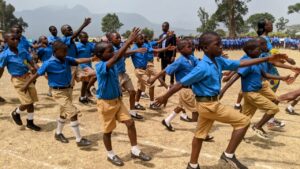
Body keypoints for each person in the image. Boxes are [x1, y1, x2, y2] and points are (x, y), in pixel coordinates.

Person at [154, 32, 287, 169]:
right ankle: (228, 156)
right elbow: (180, 83)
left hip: (208, 104)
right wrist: (165, 96)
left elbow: (241, 63)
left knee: (200, 135)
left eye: (221, 43)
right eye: (217, 45)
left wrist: (267, 59)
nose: (221, 47)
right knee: (244, 121)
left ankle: (192, 165)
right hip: (208, 106)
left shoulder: (218, 61)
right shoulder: (202, 67)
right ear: (205, 48)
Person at [92, 28, 151, 166]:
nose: (112, 52)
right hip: (106, 103)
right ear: (100, 54)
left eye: (112, 50)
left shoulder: (111, 63)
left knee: (130, 123)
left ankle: (135, 150)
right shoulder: (101, 66)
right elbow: (117, 56)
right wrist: (129, 41)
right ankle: (110, 155)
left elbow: (118, 55)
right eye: (109, 51)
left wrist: (128, 46)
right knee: (108, 131)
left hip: (118, 100)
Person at [21, 41, 93, 147]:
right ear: (55, 51)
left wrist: (92, 59)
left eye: (66, 51)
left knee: (63, 113)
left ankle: (58, 133)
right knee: (73, 112)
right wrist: (26, 85)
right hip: (58, 92)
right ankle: (79, 139)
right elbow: (37, 74)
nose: (65, 53)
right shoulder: (48, 63)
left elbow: (77, 60)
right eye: (63, 51)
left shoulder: (66, 59)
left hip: (68, 90)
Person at [220, 39, 293, 139]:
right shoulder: (248, 63)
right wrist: (223, 90)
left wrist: (283, 78)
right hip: (251, 93)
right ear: (250, 51)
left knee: (245, 117)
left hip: (255, 91)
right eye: (257, 49)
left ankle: (238, 135)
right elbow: (235, 76)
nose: (259, 51)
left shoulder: (257, 62)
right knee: (274, 108)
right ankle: (257, 126)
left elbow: (265, 74)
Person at [0, 33, 41, 131]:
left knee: (32, 101)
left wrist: (34, 67)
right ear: (6, 42)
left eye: (17, 39)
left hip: (28, 77)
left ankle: (30, 123)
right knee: (27, 102)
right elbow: (1, 68)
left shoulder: (22, 50)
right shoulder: (4, 55)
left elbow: (28, 60)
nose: (16, 40)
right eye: (12, 39)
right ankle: (16, 113)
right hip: (17, 79)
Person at [132, 34, 175, 110]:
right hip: (139, 70)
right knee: (151, 84)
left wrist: (166, 48)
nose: (142, 40)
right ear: (135, 40)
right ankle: (152, 103)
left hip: (145, 69)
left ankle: (136, 104)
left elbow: (155, 50)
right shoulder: (134, 48)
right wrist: (134, 50)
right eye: (141, 39)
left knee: (140, 88)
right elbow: (125, 54)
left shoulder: (145, 45)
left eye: (143, 39)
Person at [110, 31, 146, 119]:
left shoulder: (121, 46)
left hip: (123, 73)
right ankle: (113, 112)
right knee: (116, 96)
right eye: (117, 38)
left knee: (132, 92)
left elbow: (125, 54)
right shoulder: (110, 48)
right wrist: (135, 50)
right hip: (115, 75)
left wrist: (131, 42)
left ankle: (132, 112)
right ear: (111, 40)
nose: (119, 39)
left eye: (119, 38)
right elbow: (120, 53)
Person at [76, 31, 96, 104]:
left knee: (85, 83)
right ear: (80, 38)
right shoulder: (77, 46)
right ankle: (88, 90)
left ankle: (83, 97)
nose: (86, 38)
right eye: (84, 37)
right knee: (95, 75)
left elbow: (94, 50)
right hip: (82, 66)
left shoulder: (89, 44)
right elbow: (75, 57)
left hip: (89, 65)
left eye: (87, 37)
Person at [158, 22, 176, 86]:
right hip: (163, 55)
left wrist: (173, 56)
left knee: (172, 68)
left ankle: (171, 82)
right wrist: (158, 55)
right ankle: (163, 82)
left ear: (168, 27)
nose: (163, 28)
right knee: (163, 68)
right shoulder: (161, 36)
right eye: (162, 26)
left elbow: (174, 46)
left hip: (170, 55)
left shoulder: (172, 35)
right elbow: (160, 46)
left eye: (165, 26)